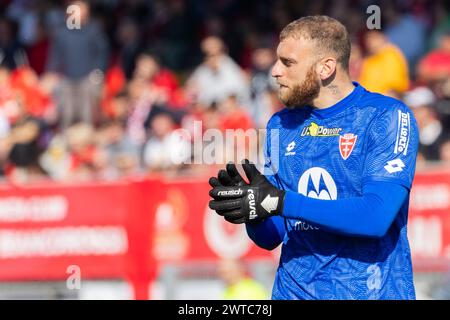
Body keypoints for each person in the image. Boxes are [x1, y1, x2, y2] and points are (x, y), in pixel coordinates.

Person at [208, 16, 419, 300]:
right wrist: (254, 212)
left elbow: (375, 216)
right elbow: (272, 237)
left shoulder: (387, 117)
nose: (275, 71)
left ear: (326, 68)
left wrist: (281, 201)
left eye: (288, 62)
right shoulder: (279, 126)